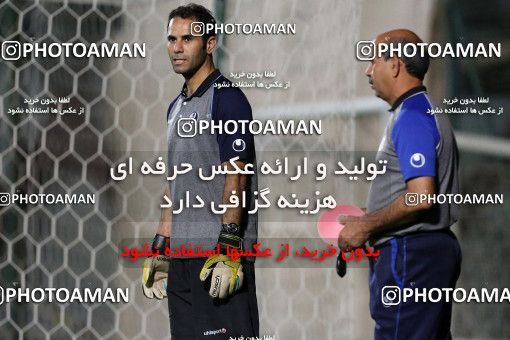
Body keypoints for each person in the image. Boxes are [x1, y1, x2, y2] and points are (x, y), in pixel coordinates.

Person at [141, 4, 259, 339]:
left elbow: (237, 174)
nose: (177, 48)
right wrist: (161, 244)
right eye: (171, 39)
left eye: (187, 39)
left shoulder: (228, 99)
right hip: (182, 258)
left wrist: (229, 245)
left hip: (218, 258)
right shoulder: (175, 108)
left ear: (209, 44)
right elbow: (174, 183)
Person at [338, 29, 461, 339]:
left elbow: (420, 198)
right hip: (422, 254)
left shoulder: (412, 116)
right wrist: (372, 213)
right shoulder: (420, 111)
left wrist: (366, 226)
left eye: (373, 60)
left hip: (411, 255)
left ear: (394, 64)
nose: (368, 70)